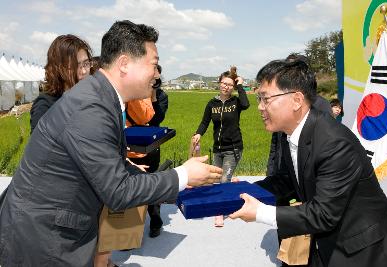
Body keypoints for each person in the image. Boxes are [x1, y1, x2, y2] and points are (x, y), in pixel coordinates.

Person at [0, 20, 222, 267]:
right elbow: (118, 191)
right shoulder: (91, 108)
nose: (158, 74)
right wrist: (182, 175)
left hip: (54, 229)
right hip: (44, 240)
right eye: (154, 65)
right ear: (125, 63)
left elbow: (110, 163)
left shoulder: (102, 98)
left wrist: (177, 182)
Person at [230, 58, 387, 266]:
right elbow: (287, 180)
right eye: (259, 99)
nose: (260, 108)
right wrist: (245, 193)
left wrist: (260, 213)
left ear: (296, 100)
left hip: (361, 249)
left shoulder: (334, 142)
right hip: (326, 241)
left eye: (266, 99)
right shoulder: (290, 132)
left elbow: (324, 213)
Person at [192, 66, 250, 227]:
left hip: (233, 148)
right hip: (217, 148)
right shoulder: (212, 103)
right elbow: (205, 122)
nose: (226, 86)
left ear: (233, 87)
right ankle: (233, 182)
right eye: (224, 83)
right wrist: (198, 134)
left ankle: (220, 211)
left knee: (224, 180)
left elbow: (246, 104)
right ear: (219, 83)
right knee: (217, 178)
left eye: (230, 84)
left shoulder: (236, 102)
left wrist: (240, 86)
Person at [125, 64, 168, 238]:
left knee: (150, 186)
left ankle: (155, 220)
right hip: (129, 148)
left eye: (155, 77)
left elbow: (157, 118)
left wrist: (153, 95)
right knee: (130, 190)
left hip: (150, 147)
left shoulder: (162, 95)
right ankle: (130, 231)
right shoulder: (131, 94)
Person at [30, 34, 93, 133]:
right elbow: (39, 146)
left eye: (86, 64)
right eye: (76, 66)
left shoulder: (89, 99)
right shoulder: (46, 106)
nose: (84, 71)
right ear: (58, 68)